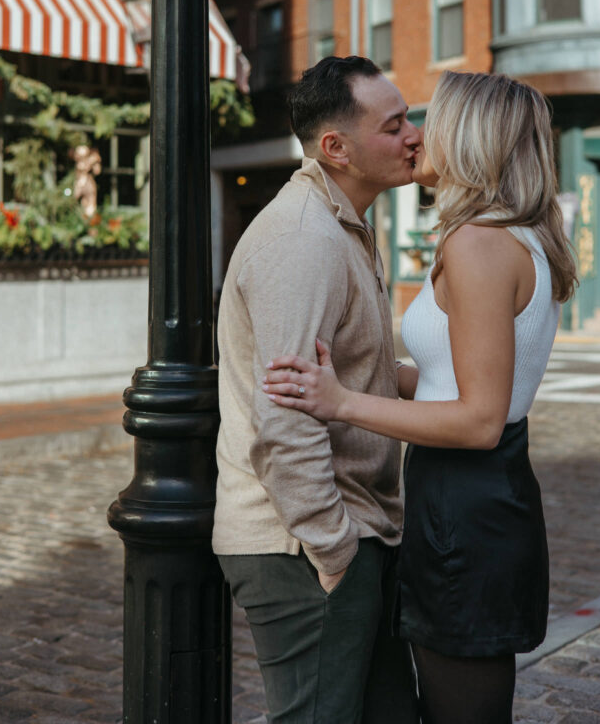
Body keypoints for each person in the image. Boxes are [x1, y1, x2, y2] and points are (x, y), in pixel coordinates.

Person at [263, 70, 579, 724]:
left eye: (427, 120)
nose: (415, 136)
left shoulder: (480, 244)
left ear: (468, 136)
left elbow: (478, 420)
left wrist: (339, 403)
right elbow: (450, 383)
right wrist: (353, 374)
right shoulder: (509, 233)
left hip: (468, 499)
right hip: (474, 498)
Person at [212, 56, 421, 724]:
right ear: (336, 148)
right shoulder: (303, 241)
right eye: (393, 126)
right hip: (300, 545)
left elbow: (346, 371)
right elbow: (285, 414)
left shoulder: (342, 226)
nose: (414, 135)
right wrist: (334, 551)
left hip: (351, 534)